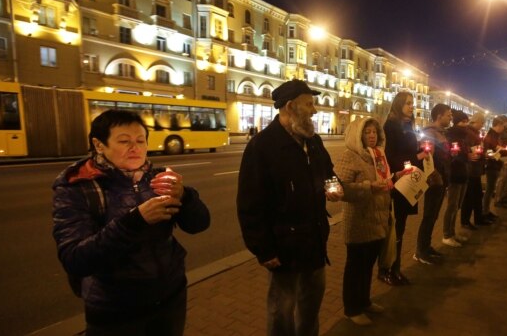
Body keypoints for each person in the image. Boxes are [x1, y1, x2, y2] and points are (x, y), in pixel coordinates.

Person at [52, 110, 210, 336]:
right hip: (114, 310)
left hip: (170, 299)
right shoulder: (78, 186)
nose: (135, 148)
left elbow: (200, 224)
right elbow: (75, 259)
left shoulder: (159, 178)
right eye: (124, 141)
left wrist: (185, 196)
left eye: (140, 141)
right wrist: (135, 221)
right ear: (99, 145)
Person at [236, 79, 343, 336]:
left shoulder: (313, 141)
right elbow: (250, 203)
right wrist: (263, 250)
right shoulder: (262, 146)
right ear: (291, 106)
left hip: (315, 240)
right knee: (281, 310)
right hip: (283, 247)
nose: (315, 111)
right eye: (309, 104)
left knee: (311, 305)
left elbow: (328, 173)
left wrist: (335, 186)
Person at [334, 117, 391, 326]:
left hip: (377, 219)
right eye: (367, 132)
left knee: (368, 266)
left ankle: (364, 301)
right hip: (359, 221)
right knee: (355, 268)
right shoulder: (349, 157)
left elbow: (385, 181)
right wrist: (369, 187)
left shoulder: (379, 156)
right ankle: (351, 308)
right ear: (357, 135)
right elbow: (341, 189)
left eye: (375, 131)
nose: (372, 135)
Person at [380, 91, 429, 285]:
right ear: (399, 104)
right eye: (408, 103)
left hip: (409, 182)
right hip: (397, 182)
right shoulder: (390, 126)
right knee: (393, 229)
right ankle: (387, 269)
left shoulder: (408, 125)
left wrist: (423, 152)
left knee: (400, 228)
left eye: (412, 103)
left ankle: (395, 268)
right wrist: (416, 158)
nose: (411, 106)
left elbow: (408, 150)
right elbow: (390, 156)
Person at [414, 103, 452, 264]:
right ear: (439, 116)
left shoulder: (441, 133)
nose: (451, 117)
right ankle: (420, 251)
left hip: (442, 178)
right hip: (434, 179)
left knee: (434, 214)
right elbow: (426, 158)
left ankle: (427, 246)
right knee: (429, 214)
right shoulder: (429, 133)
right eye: (448, 114)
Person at [440, 110, 470, 247]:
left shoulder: (463, 137)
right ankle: (446, 235)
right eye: (463, 121)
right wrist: (464, 156)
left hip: (463, 173)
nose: (466, 124)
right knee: (451, 206)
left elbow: (464, 153)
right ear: (457, 122)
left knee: (457, 206)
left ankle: (452, 233)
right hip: (454, 175)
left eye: (466, 121)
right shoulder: (450, 135)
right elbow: (450, 156)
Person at [461, 113, 492, 229]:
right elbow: (468, 150)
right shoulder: (469, 133)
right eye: (482, 122)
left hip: (476, 169)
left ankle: (478, 218)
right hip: (471, 170)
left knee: (477, 195)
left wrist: (484, 155)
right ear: (475, 121)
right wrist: (479, 154)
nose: (483, 125)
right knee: (469, 197)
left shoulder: (474, 133)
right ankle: (466, 221)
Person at [482, 115, 507, 222]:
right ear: (498, 125)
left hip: (495, 164)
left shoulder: (495, 135)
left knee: (491, 189)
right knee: (489, 190)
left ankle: (487, 211)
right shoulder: (491, 136)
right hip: (491, 166)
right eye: (503, 126)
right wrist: (499, 152)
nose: (504, 128)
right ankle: (484, 212)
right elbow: (488, 151)